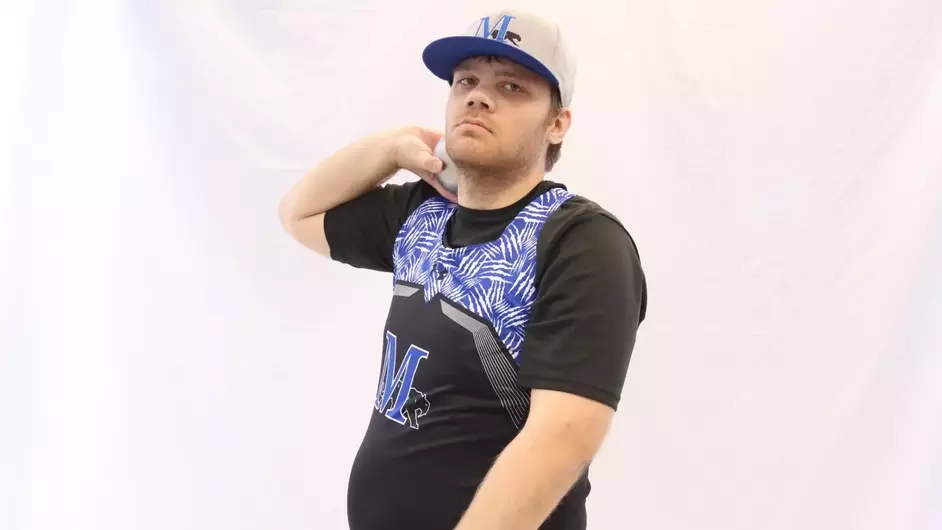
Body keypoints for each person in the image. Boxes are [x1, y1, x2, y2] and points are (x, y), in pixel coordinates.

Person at [278, 9, 647, 530]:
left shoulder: (578, 241)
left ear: (557, 123)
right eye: (466, 81)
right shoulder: (420, 217)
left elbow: (562, 438)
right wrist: (393, 146)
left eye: (512, 87)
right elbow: (298, 213)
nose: (478, 96)